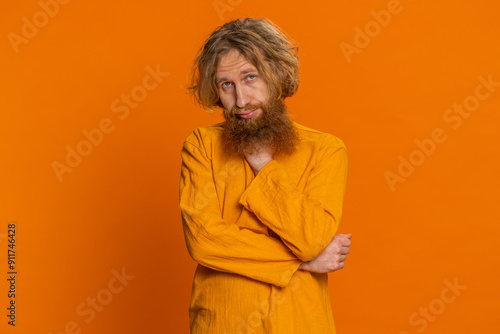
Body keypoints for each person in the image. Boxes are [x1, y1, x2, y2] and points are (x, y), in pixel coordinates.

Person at [179, 17, 352, 333]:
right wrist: (299, 262)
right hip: (222, 323)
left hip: (298, 323)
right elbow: (204, 241)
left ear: (280, 75)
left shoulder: (326, 150)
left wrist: (263, 165)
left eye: (250, 78)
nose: (241, 101)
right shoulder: (201, 145)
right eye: (226, 84)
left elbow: (312, 239)